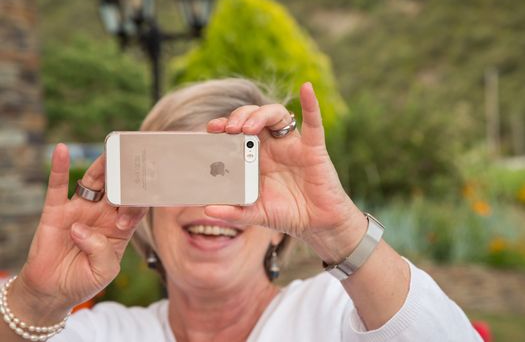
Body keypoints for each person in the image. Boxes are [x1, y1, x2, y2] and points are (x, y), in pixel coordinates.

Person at [0, 79, 482, 342]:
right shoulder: (106, 333)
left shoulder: (339, 314)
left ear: (279, 230)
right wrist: (36, 300)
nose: (212, 207)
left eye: (228, 177)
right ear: (147, 216)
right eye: (181, 174)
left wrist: (341, 231)